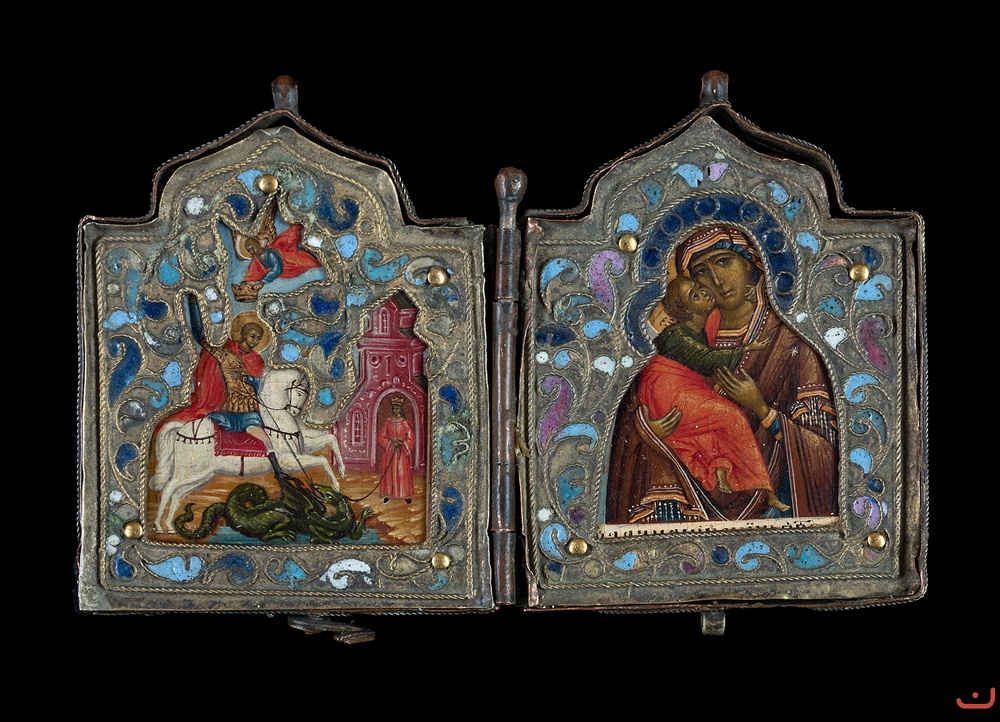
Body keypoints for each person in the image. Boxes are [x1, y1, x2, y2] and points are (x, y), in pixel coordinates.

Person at [605, 225, 837, 524]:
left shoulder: (790, 344)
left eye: (724, 261)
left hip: (772, 515)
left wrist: (762, 410)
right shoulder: (684, 335)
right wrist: (646, 431)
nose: (715, 280)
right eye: (701, 271)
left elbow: (825, 454)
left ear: (750, 262)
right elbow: (627, 413)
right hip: (686, 496)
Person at [644, 277, 788, 511]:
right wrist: (746, 349)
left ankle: (720, 468)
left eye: (699, 287)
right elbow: (707, 360)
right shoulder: (676, 336)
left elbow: (719, 312)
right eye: (695, 296)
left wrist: (748, 295)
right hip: (666, 390)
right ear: (685, 310)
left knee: (708, 431)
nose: (704, 293)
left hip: (684, 386)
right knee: (731, 418)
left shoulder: (704, 323)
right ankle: (760, 487)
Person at [159, 295, 293, 482]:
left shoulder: (257, 361)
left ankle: (278, 471)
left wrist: (251, 381)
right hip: (225, 411)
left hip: (248, 414)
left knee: (265, 439)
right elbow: (200, 335)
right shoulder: (225, 353)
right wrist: (193, 306)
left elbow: (263, 387)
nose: (254, 341)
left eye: (258, 338)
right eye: (252, 335)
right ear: (243, 334)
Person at [378, 396, 415, 503]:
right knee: (389, 473)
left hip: (401, 453)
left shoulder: (405, 423)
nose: (395, 411)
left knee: (402, 472)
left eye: (397, 409)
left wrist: (402, 443)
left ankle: (405, 495)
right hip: (389, 452)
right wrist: (390, 443)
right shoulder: (387, 422)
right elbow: (381, 437)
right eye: (393, 408)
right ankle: (388, 494)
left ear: (400, 409)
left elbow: (411, 438)